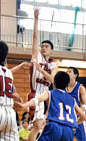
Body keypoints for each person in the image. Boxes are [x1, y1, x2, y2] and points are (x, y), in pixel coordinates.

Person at [15, 71, 86, 141]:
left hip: (54, 127)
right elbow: (83, 116)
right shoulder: (72, 99)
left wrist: (24, 105)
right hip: (68, 130)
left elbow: (37, 99)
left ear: (54, 83)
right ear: (67, 85)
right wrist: (74, 123)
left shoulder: (50, 93)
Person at [28, 8, 58, 141]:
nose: (43, 47)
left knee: (45, 125)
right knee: (37, 125)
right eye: (42, 46)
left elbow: (51, 79)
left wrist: (41, 71)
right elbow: (34, 37)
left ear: (51, 50)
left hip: (47, 97)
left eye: (46, 46)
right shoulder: (36, 57)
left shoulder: (54, 65)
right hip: (35, 94)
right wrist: (36, 19)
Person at [66, 67, 86, 141]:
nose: (67, 73)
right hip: (66, 119)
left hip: (78, 119)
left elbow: (85, 105)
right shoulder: (63, 87)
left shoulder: (80, 88)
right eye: (66, 72)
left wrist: (75, 113)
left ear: (75, 75)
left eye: (69, 71)